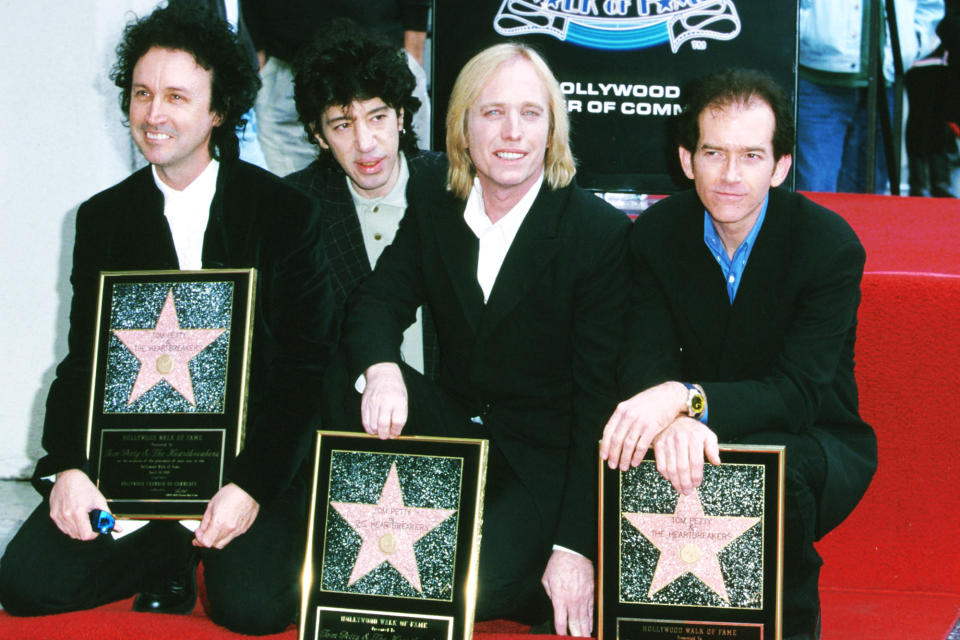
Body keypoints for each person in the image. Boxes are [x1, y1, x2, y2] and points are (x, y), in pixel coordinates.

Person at [0, 4, 337, 635]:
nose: (155, 115)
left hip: (248, 461)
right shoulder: (102, 219)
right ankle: (166, 548)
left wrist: (251, 485)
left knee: (254, 607)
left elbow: (302, 368)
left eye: (178, 97)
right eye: (142, 94)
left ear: (218, 110)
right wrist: (67, 466)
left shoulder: (285, 213)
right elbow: (83, 360)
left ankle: (213, 544)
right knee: (24, 584)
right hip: (133, 467)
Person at [340, 43, 630, 636]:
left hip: (536, 462)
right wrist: (384, 367)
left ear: (552, 130)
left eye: (530, 113)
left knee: (462, 582)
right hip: (454, 432)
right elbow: (377, 300)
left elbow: (600, 403)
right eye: (492, 112)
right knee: (343, 367)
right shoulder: (436, 203)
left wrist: (576, 546)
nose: (511, 132)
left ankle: (541, 575)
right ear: (462, 129)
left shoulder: (596, 234)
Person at [601, 69, 877, 639]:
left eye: (751, 155)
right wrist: (676, 417)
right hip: (685, 424)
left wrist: (689, 402)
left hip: (811, 436)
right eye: (714, 153)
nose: (730, 175)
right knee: (624, 439)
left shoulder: (828, 246)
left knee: (769, 465)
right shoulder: (655, 233)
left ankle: (791, 626)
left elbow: (800, 393)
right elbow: (644, 357)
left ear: (779, 166)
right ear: (686, 159)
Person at [286, 22, 440, 380]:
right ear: (318, 135)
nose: (365, 142)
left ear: (400, 116)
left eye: (378, 117)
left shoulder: (454, 186)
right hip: (342, 422)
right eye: (342, 125)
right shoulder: (294, 210)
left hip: (454, 418)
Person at [240, 0, 432, 176]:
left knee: (408, 190)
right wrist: (258, 56)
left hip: (381, 68)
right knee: (294, 202)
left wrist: (413, 53)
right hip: (287, 70)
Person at [797, 0, 943, 192]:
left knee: (867, 195)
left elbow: (930, 5)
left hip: (884, 80)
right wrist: (806, 31)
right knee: (815, 190)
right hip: (820, 78)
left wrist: (910, 43)